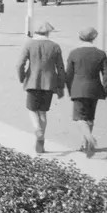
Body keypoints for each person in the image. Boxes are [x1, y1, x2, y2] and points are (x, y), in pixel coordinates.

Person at [16, 21, 66, 154]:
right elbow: (61, 68)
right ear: (48, 32)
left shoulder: (29, 44)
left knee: (32, 110)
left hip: (32, 81)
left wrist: (22, 77)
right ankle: (40, 143)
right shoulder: (55, 46)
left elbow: (20, 64)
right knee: (43, 112)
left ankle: (37, 129)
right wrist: (61, 86)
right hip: (49, 83)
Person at [65, 27, 107, 158]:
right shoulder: (100, 54)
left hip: (78, 89)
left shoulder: (74, 53)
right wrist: (105, 91)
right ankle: (85, 144)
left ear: (80, 37)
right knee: (90, 118)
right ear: (94, 38)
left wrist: (70, 89)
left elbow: (68, 74)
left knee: (79, 118)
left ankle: (89, 138)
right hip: (95, 89)